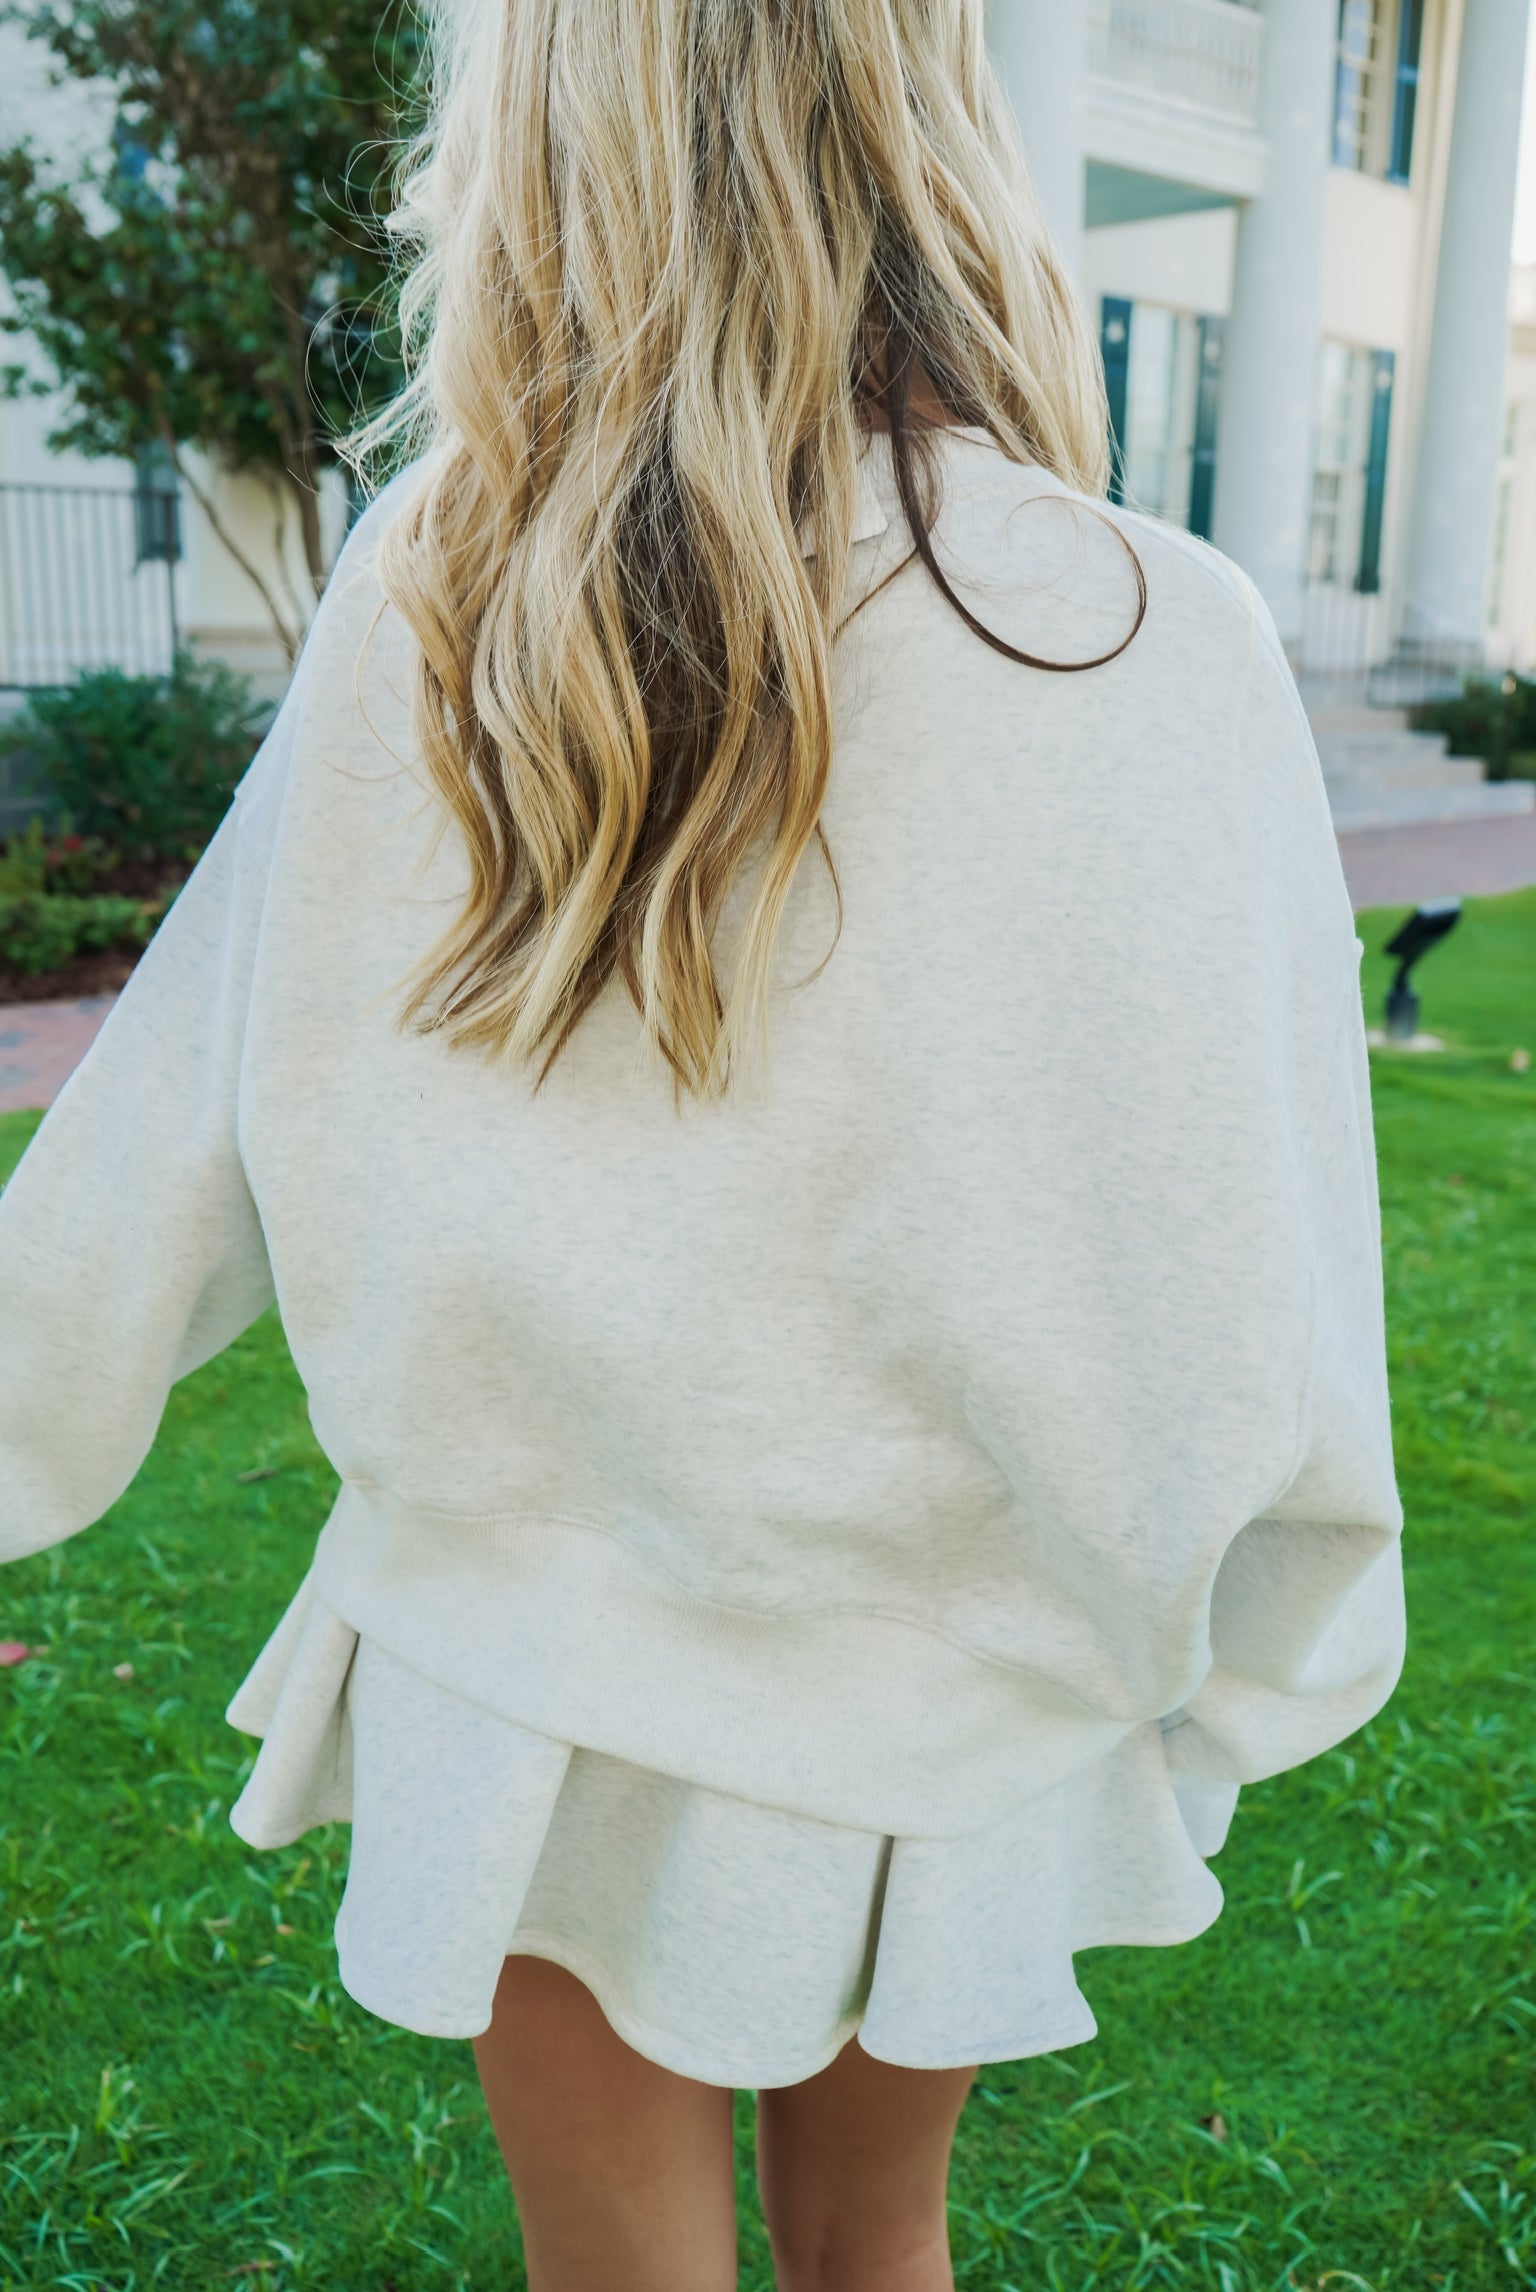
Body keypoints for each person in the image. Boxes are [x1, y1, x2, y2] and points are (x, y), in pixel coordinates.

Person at [0, 1, 1404, 2286]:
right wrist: (1244, 1660)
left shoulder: (449, 596)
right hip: (953, 1687)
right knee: (879, 2246)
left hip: (528, 1665)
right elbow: (1258, 1250)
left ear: (548, 122)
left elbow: (165, 1132)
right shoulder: (1158, 641)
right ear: (937, 116)